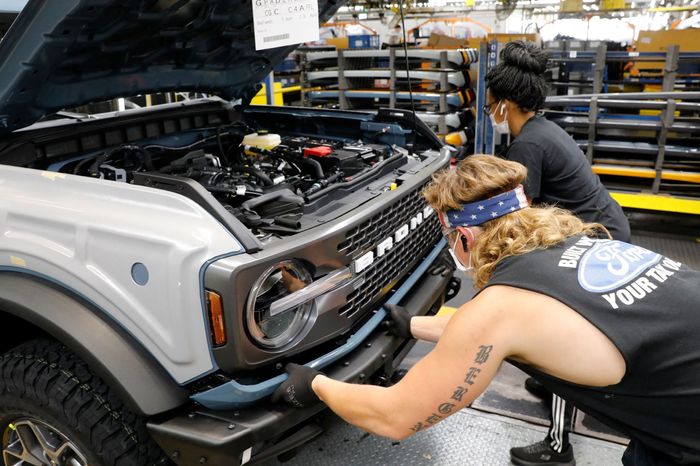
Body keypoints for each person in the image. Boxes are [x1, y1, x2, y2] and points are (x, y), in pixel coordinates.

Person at [272, 154, 700, 466]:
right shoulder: (576, 247)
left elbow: (397, 416)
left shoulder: (499, 308)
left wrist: (315, 386)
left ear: (462, 238)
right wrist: (410, 325)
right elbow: (508, 330)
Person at [484, 40, 631, 465]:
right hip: (602, 227)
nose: (488, 108)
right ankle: (550, 387)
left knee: (558, 336)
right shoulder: (540, 129)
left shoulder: (528, 145)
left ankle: (557, 445)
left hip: (595, 241)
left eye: (490, 101)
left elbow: (519, 217)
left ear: (505, 103)